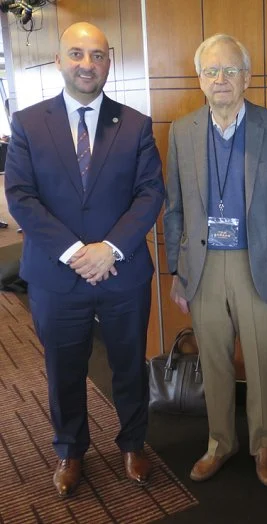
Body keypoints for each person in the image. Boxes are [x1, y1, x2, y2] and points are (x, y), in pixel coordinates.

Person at [4, 22, 164, 497]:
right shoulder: (29, 123)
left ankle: (133, 442)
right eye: (76, 54)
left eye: (96, 55)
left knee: (129, 365)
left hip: (123, 270)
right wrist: (77, 252)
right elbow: (21, 197)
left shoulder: (135, 123)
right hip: (56, 274)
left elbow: (150, 192)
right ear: (59, 61)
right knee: (63, 368)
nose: (87, 64)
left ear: (109, 61)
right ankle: (71, 450)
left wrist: (109, 249)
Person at [163, 34, 267, 487]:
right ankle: (220, 443)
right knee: (215, 361)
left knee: (263, 359)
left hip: (257, 262)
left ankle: (265, 444)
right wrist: (177, 271)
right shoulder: (181, 131)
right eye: (211, 71)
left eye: (230, 70)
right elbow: (174, 207)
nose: (220, 79)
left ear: (247, 76)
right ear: (199, 78)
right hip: (202, 267)